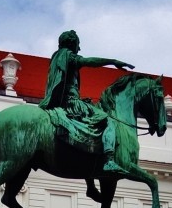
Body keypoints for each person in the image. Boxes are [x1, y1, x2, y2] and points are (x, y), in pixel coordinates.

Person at [39, 30, 134, 174]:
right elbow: (88, 61)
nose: (79, 49)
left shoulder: (57, 57)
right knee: (107, 121)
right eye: (78, 44)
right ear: (73, 43)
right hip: (71, 102)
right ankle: (109, 160)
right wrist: (112, 62)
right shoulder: (68, 56)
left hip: (65, 101)